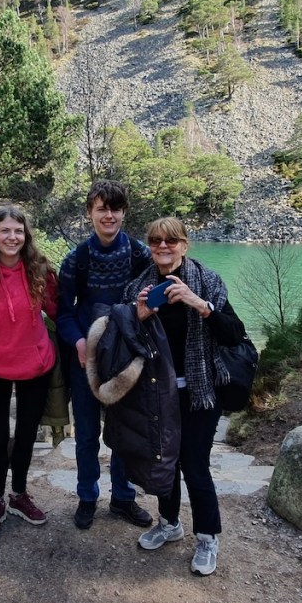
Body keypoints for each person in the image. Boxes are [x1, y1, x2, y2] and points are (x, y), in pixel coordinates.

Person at [123, 217, 247, 576]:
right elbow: (125, 338)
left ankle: (207, 536)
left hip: (201, 392)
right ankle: (170, 523)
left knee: (194, 465)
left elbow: (234, 335)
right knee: (165, 462)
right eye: (156, 240)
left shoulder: (208, 281)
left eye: (171, 241)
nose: (163, 246)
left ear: (184, 245)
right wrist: (139, 315)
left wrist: (200, 305)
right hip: (156, 393)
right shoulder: (138, 287)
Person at [56, 180, 153, 530]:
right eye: (101, 208)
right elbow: (63, 312)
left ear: (124, 212)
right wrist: (79, 343)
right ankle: (87, 496)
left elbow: (151, 300)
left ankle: (124, 498)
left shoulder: (140, 254)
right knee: (85, 434)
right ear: (90, 214)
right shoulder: (76, 259)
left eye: (115, 208)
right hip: (86, 360)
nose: (108, 215)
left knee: (125, 432)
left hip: (126, 358)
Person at [0, 207, 58, 538]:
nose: (12, 237)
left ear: (26, 236)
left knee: (26, 433)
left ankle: (19, 495)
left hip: (36, 364)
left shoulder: (40, 270)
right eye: (5, 231)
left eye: (18, 231)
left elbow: (59, 310)